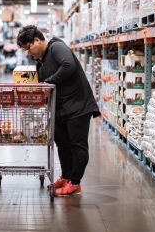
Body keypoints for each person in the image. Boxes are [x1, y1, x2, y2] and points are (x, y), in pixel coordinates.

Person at [17, 25, 100, 196]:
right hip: (61, 109)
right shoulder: (40, 61)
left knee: (77, 145)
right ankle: (66, 176)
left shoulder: (56, 47)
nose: (28, 52)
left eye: (28, 47)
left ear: (37, 40)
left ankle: (75, 182)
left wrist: (49, 82)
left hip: (78, 106)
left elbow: (68, 66)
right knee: (62, 144)